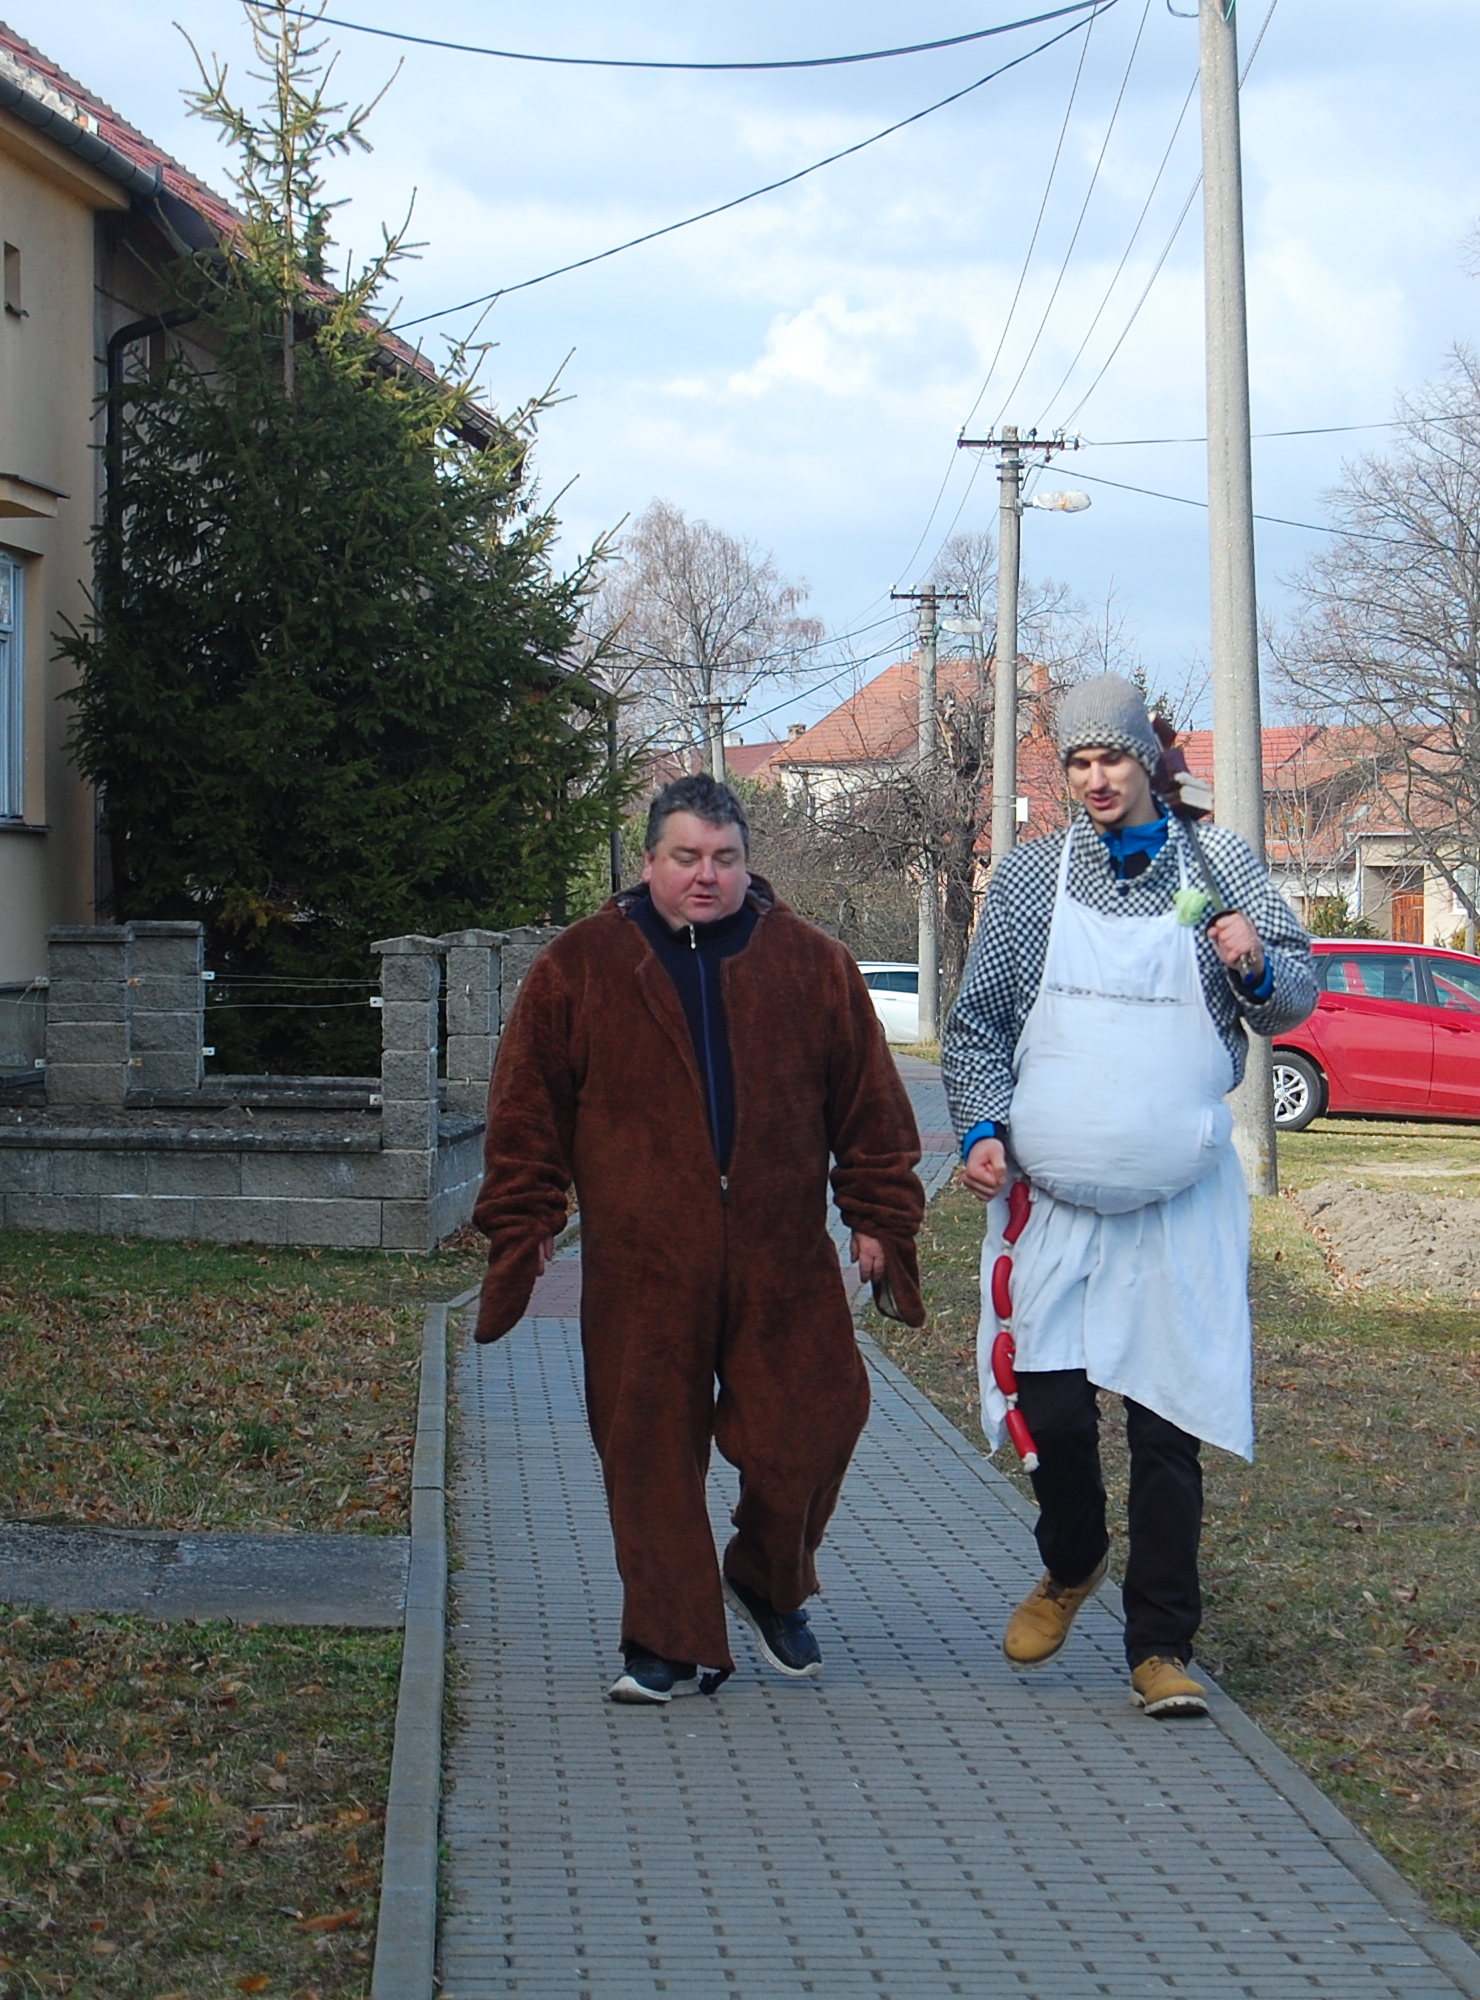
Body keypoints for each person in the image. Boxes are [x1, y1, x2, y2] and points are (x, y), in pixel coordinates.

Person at [474, 773, 928, 1704]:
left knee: (819, 1419)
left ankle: (766, 1581)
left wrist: (878, 1217)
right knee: (647, 1451)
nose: (706, 876)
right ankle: (664, 1637)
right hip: (643, 1261)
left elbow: (873, 1111)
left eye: (724, 858)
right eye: (686, 857)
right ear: (649, 862)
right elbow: (526, 1114)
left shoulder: (813, 964)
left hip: (783, 1256)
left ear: (748, 863)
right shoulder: (579, 967)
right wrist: (525, 1226)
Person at [944, 677, 1315, 1718]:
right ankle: (1072, 1558)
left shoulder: (1216, 863)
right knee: (1052, 1412)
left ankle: (1160, 1646)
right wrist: (980, 1129)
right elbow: (978, 1026)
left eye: (1111, 757)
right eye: (1078, 761)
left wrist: (1252, 963)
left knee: (1164, 1430)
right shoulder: (1033, 876)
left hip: (1176, 1210)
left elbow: (1293, 997)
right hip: (1054, 1207)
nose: (1096, 777)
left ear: (1146, 759)